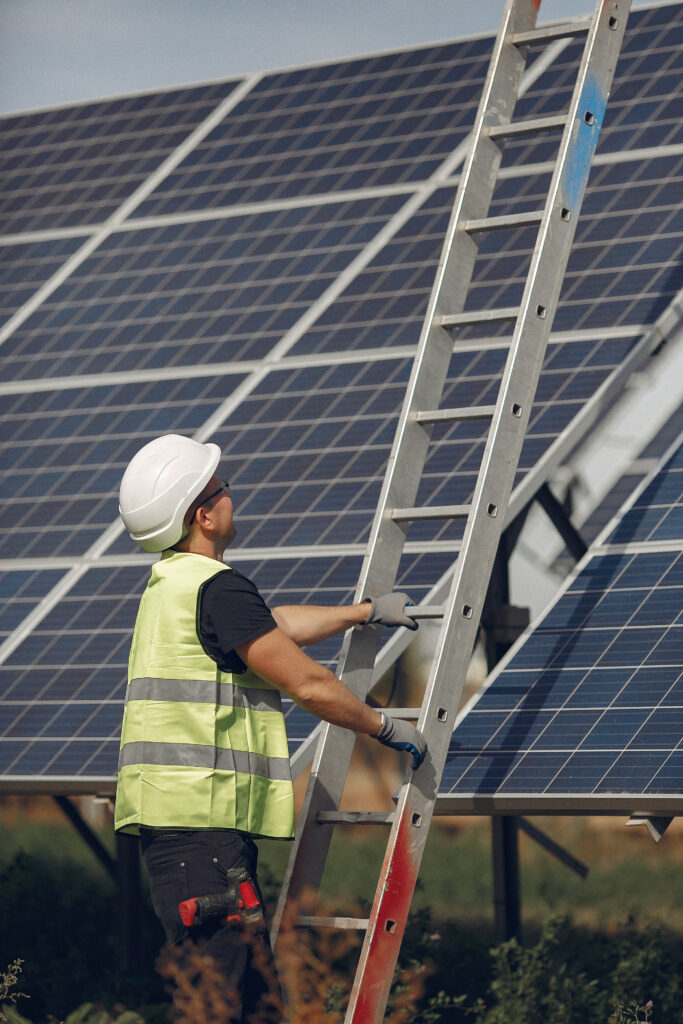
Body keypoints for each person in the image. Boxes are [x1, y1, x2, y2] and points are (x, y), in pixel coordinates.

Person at [114, 433, 427, 1021]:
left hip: (185, 836)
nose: (232, 494)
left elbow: (272, 627)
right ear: (204, 515)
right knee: (217, 1007)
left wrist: (362, 612)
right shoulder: (215, 589)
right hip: (202, 838)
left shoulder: (173, 586)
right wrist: (383, 727)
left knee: (253, 1007)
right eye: (221, 488)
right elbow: (306, 683)